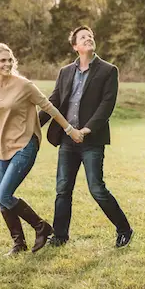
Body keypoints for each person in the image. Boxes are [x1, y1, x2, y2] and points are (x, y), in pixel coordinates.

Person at [0, 42, 86, 256]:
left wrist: (70, 129)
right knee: (1, 198)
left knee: (4, 195)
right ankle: (19, 244)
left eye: (9, 60)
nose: (7, 64)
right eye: (2, 60)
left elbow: (49, 107)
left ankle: (41, 227)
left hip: (24, 145)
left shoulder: (24, 85)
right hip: (0, 146)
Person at [39, 26, 134, 248]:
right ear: (75, 46)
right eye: (83, 37)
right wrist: (34, 124)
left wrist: (86, 130)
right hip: (67, 141)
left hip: (92, 141)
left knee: (96, 188)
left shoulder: (109, 71)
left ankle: (124, 229)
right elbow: (53, 102)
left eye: (90, 36)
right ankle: (60, 236)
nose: (88, 38)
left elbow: (106, 105)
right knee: (63, 189)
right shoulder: (65, 72)